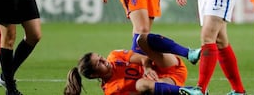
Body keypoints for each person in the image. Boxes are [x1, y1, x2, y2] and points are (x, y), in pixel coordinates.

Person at [64, 33, 198, 95]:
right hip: (166, 83)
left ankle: (188, 53)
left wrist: (147, 68)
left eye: (100, 57)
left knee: (142, 39)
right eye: (99, 63)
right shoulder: (111, 91)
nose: (104, 60)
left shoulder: (114, 56)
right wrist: (149, 83)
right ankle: (189, 92)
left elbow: (143, 58)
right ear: (94, 75)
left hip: (166, 65)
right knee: (141, 84)